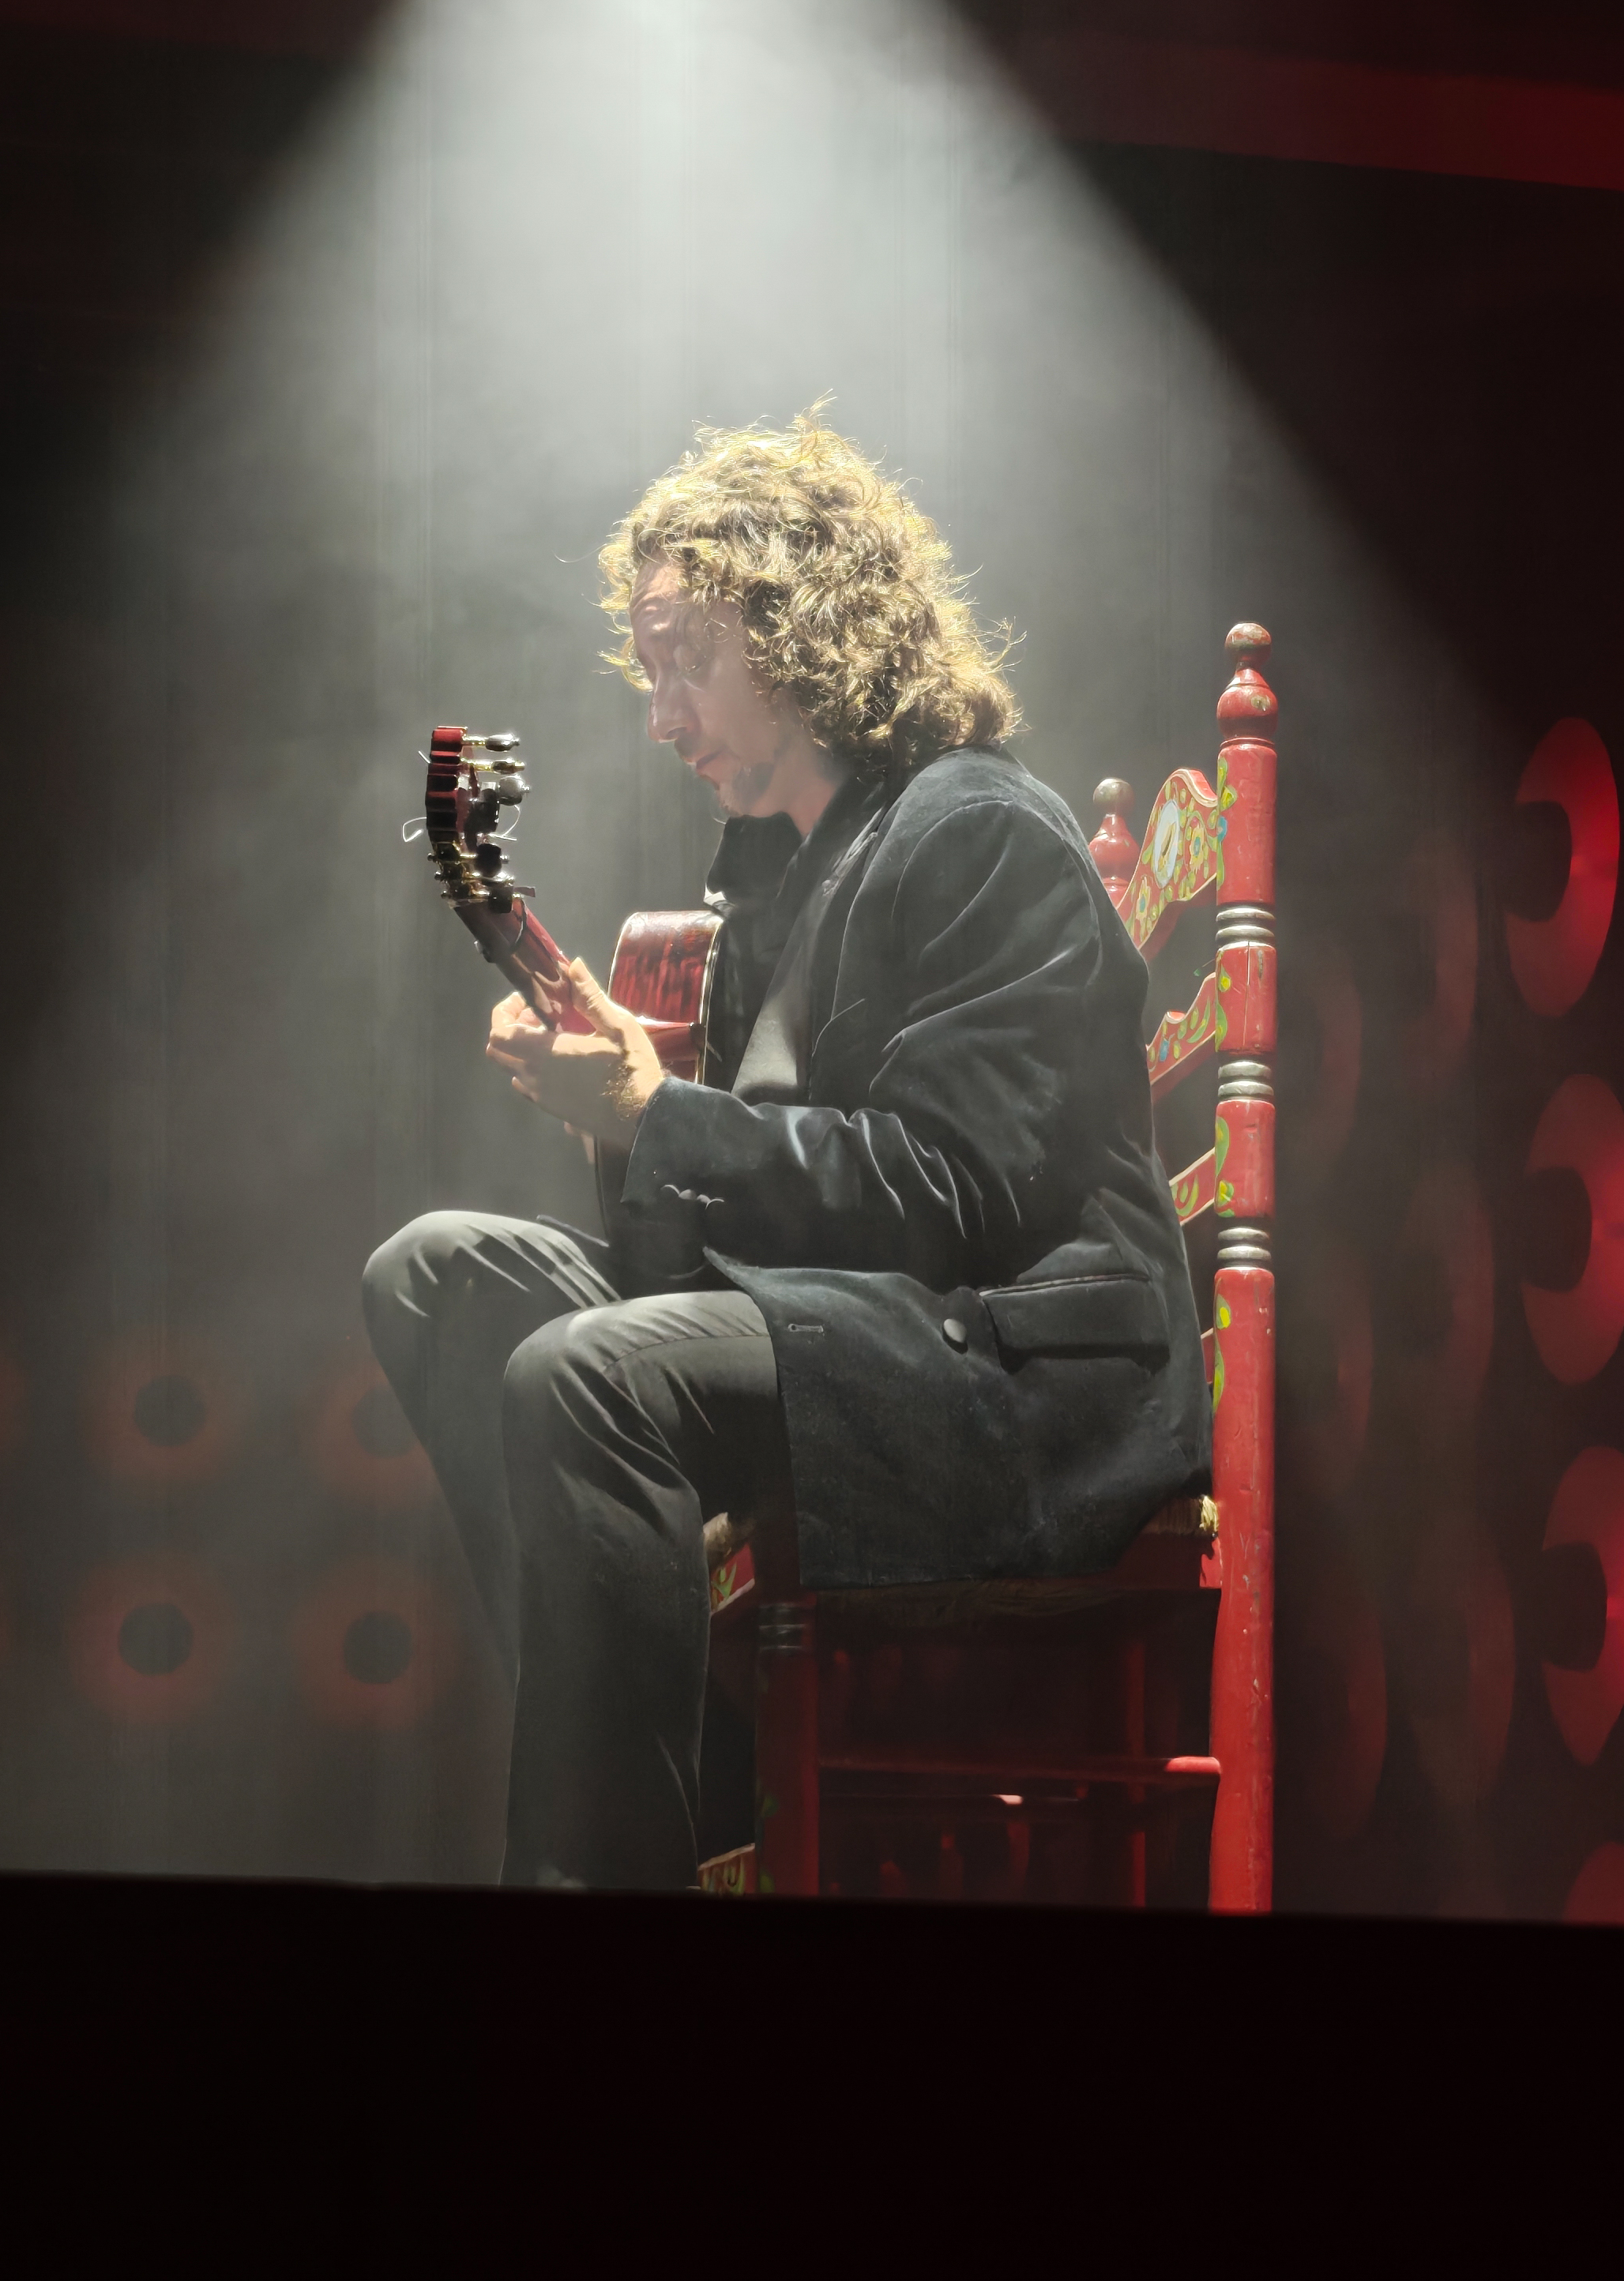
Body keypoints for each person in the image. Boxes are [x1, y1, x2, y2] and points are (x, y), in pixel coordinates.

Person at [362, 410, 1209, 1888]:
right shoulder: (770, 883)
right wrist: (611, 1116)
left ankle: (605, 1870)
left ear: (804, 626)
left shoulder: (983, 830)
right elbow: (709, 1247)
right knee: (438, 1276)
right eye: (653, 667)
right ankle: (681, 1759)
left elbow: (953, 1194)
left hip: (1017, 1368)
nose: (662, 711)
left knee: (590, 1372)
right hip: (865, 1327)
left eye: (687, 655)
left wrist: (655, 1109)